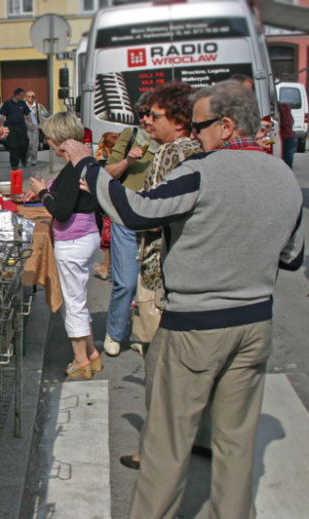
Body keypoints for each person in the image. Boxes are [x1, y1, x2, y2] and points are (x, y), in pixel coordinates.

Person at [64, 80, 304, 519]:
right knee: (234, 444)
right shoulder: (284, 176)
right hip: (255, 324)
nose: (194, 136)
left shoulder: (201, 171)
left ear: (227, 126)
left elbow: (135, 211)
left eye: (200, 127)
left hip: (197, 324)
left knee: (166, 444)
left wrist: (91, 168)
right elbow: (292, 257)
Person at [116, 80, 203, 471]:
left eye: (155, 115)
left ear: (180, 121)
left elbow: (150, 213)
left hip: (159, 270)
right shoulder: (200, 150)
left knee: (157, 365)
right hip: (189, 273)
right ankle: (195, 437)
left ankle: (152, 450)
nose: (146, 120)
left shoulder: (170, 153)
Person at [24, 112, 102, 380]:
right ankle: (91, 353)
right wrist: (45, 192)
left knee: (74, 304)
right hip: (87, 236)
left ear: (62, 141)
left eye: (50, 137)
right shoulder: (87, 165)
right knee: (78, 298)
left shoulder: (73, 169)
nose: (47, 140)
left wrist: (43, 191)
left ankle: (81, 362)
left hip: (73, 241)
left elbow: (62, 210)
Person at [99, 92, 159, 357]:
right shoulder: (130, 135)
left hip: (157, 219)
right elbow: (108, 173)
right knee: (125, 282)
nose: (146, 119)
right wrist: (128, 161)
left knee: (151, 282)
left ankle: (142, 333)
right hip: (127, 217)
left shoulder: (170, 140)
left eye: (152, 114)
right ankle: (114, 333)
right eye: (143, 114)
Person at [92, 131, 120, 280]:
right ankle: (106, 266)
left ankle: (106, 268)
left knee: (111, 239)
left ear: (107, 149)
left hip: (110, 209)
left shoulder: (108, 167)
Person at [0, 88, 32, 168]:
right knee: (13, 146)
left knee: (24, 144)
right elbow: (2, 116)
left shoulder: (22, 104)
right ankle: (14, 164)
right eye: (21, 95)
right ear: (16, 95)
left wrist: (31, 123)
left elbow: (27, 114)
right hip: (11, 128)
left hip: (21, 127)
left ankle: (23, 159)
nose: (22, 97)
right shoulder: (7, 103)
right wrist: (0, 127)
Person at [24, 91, 49, 166]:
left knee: (35, 144)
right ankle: (25, 159)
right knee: (28, 144)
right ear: (26, 97)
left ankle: (33, 160)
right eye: (29, 96)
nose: (30, 98)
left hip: (35, 126)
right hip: (26, 126)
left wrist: (41, 126)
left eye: (32, 97)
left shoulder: (37, 106)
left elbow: (40, 117)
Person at [278, 101, 297, 167]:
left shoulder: (280, 108)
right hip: (291, 137)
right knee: (287, 163)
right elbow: (291, 121)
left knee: (286, 163)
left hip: (287, 138)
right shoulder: (285, 107)